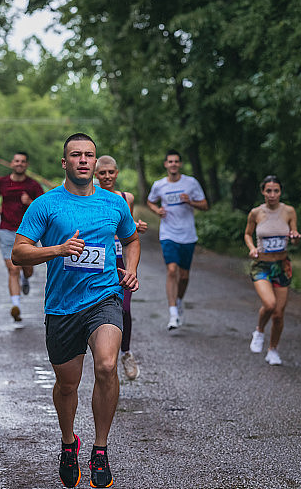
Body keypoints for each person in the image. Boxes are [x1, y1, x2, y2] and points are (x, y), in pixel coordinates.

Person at [11, 133, 140, 488]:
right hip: (62, 306)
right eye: (76, 155)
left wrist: (130, 269)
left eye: (89, 155)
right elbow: (19, 253)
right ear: (64, 163)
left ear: (96, 163)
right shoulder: (46, 204)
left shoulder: (114, 204)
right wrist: (58, 250)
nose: (84, 160)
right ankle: (69, 443)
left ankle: (100, 449)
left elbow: (131, 239)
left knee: (107, 364)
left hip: (104, 299)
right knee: (68, 385)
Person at [95, 155, 148, 380]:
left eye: (111, 172)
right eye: (102, 173)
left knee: (124, 309)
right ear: (96, 175)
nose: (107, 176)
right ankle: (104, 358)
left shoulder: (127, 198)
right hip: (97, 263)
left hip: (119, 263)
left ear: (117, 173)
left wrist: (136, 227)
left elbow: (128, 231)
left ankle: (126, 353)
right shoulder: (90, 197)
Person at [146, 150, 209, 330]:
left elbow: (205, 205)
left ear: (180, 164)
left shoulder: (191, 183)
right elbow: (150, 201)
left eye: (176, 161)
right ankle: (173, 313)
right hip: (168, 234)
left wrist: (191, 202)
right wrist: (156, 210)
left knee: (184, 276)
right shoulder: (159, 185)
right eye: (170, 161)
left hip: (188, 234)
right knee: (172, 271)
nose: (173, 164)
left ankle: (179, 301)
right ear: (165, 164)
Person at [243, 175, 301, 365]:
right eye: (269, 191)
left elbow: (294, 238)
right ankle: (259, 331)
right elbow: (247, 234)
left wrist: (295, 236)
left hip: (282, 266)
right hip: (261, 265)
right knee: (269, 304)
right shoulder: (256, 213)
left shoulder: (289, 211)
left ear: (280, 192)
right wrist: (252, 248)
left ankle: (273, 350)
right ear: (263, 192)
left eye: (276, 191)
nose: (272, 194)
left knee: (278, 314)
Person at [0, 151, 44, 321]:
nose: (19, 164)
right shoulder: (2, 182)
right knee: (13, 269)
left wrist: (30, 203)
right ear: (11, 163)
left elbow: (43, 207)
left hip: (28, 233)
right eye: (16, 161)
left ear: (26, 165)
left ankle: (26, 279)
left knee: (27, 270)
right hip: (6, 229)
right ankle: (16, 306)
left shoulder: (33, 185)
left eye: (23, 161)